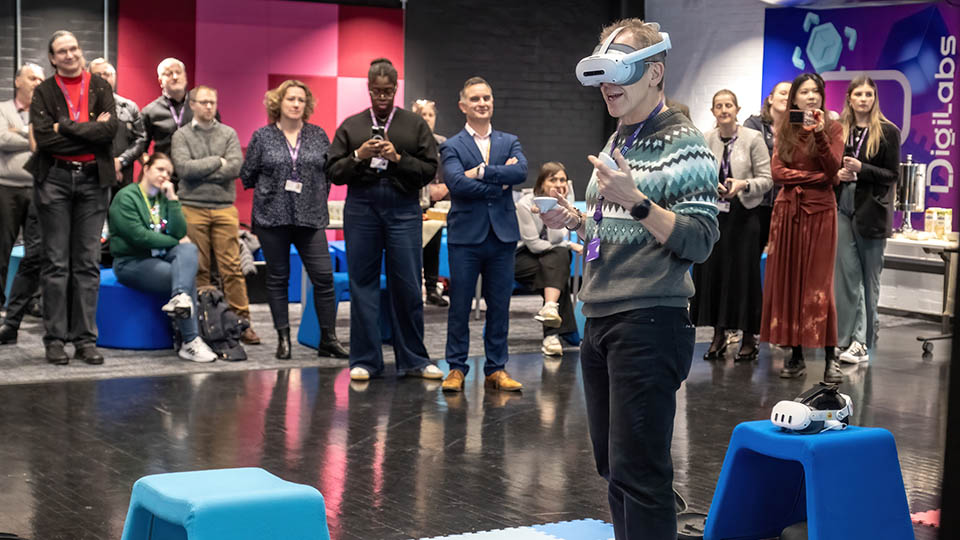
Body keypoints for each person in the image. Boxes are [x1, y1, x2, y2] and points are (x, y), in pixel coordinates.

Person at [539, 19, 718, 539]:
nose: (607, 87)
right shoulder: (621, 135)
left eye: (618, 74)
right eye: (602, 76)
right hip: (599, 318)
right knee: (613, 470)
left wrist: (637, 201)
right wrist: (573, 219)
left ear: (655, 72)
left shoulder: (685, 145)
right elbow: (610, 221)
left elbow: (701, 240)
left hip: (648, 321)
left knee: (640, 474)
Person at [325, 59, 440, 381]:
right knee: (363, 285)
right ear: (368, 89)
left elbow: (429, 171)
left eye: (388, 91)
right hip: (362, 208)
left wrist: (397, 158)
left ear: (396, 89)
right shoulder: (351, 125)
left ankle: (414, 360)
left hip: (403, 208)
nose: (383, 97)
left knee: (407, 284)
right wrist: (359, 156)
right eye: (377, 91)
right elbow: (333, 173)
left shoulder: (414, 125)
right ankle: (364, 361)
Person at [28, 30, 118, 365]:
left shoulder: (100, 86)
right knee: (55, 263)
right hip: (54, 180)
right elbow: (43, 140)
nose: (70, 55)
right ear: (52, 58)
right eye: (62, 51)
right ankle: (55, 340)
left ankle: (85, 340)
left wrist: (63, 127)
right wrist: (88, 133)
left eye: (74, 49)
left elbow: (110, 132)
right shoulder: (44, 92)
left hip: (94, 181)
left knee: (87, 263)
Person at [241, 80, 347, 360]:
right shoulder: (262, 136)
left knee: (324, 277)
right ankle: (283, 339)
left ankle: (328, 339)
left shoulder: (318, 135)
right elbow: (248, 174)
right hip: (272, 217)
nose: (296, 104)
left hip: (310, 217)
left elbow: (330, 173)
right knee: (278, 278)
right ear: (279, 103)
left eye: (301, 99)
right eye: (291, 99)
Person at [439, 76, 528, 393]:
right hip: (465, 237)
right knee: (459, 306)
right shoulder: (451, 145)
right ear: (463, 105)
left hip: (502, 236)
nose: (482, 103)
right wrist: (499, 181)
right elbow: (456, 184)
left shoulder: (509, 141)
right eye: (475, 99)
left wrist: (482, 172)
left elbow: (521, 172)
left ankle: (496, 368)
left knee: (500, 306)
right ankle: (456, 368)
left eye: (487, 98)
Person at [759, 72, 844, 383]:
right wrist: (817, 178)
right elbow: (778, 173)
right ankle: (794, 354)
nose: (811, 97)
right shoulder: (787, 127)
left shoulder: (833, 127)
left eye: (816, 92)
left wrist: (820, 134)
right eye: (804, 92)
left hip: (821, 212)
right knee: (789, 282)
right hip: (787, 211)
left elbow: (834, 169)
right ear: (794, 98)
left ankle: (831, 357)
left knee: (819, 285)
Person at [171, 85, 260, 346]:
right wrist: (217, 162)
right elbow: (184, 169)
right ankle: (204, 323)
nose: (210, 106)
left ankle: (242, 323)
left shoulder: (229, 133)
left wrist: (209, 166)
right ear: (193, 105)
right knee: (198, 268)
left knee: (232, 267)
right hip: (192, 206)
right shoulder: (181, 135)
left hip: (223, 208)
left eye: (213, 102)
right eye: (204, 102)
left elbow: (235, 167)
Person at [108, 152, 218, 362]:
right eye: (160, 169)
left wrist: (173, 199)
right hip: (131, 262)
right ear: (146, 168)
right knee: (184, 280)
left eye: (168, 172)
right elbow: (140, 237)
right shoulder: (126, 197)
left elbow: (179, 230)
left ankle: (181, 303)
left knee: (189, 250)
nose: (165, 176)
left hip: (159, 256)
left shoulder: (162, 198)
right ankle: (190, 340)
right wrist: (175, 242)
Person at [692, 90, 772, 361]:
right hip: (716, 216)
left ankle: (749, 337)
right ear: (713, 111)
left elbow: (767, 179)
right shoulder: (706, 138)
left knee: (743, 278)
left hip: (745, 214)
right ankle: (718, 334)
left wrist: (743, 185)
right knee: (715, 275)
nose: (724, 110)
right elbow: (699, 176)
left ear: (737, 109)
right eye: (719, 106)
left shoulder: (753, 138)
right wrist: (709, 186)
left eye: (728, 105)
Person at [834, 76, 900, 364]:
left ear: (874, 99)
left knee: (868, 280)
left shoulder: (887, 132)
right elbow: (829, 167)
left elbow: (891, 175)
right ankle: (845, 338)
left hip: (871, 210)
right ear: (849, 98)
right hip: (842, 207)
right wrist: (839, 174)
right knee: (847, 278)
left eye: (869, 94)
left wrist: (862, 169)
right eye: (858, 94)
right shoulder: (839, 130)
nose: (863, 99)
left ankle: (862, 341)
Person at [514, 162, 581, 356]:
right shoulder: (525, 204)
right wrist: (568, 245)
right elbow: (533, 244)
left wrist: (556, 208)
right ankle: (559, 331)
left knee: (556, 262)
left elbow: (558, 238)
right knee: (557, 265)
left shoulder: (565, 200)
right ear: (542, 183)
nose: (559, 184)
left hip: (550, 257)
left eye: (562, 180)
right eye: (553, 180)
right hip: (523, 257)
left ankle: (550, 315)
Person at [0, 62, 45, 344]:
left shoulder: (45, 112)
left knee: (35, 253)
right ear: (18, 81)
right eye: (32, 78)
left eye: (41, 79)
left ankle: (31, 303)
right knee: (2, 249)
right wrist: (31, 135)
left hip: (39, 189)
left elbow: (47, 141)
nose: (37, 82)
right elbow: (1, 138)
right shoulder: (3, 109)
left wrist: (20, 132)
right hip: (6, 188)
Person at [412, 98, 449, 307]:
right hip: (412, 202)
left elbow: (453, 171)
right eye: (422, 115)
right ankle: (414, 289)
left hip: (437, 204)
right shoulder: (408, 142)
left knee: (433, 246)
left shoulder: (443, 143)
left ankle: (433, 288)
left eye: (430, 115)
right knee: (412, 247)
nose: (426, 119)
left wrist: (446, 187)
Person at [745, 81, 791, 245]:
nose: (787, 97)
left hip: (785, 201)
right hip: (758, 201)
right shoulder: (753, 124)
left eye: (791, 94)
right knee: (752, 253)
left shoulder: (798, 128)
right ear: (770, 98)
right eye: (783, 93)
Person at [88, 58, 144, 189]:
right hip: (91, 179)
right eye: (97, 75)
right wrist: (107, 166)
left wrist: (121, 161)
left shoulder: (129, 107)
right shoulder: (82, 109)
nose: (103, 78)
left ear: (114, 77)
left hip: (124, 178)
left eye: (107, 74)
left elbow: (141, 140)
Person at [140, 58, 194, 160]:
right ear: (160, 81)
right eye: (168, 74)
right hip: (167, 174)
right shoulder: (150, 111)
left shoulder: (202, 106)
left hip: (198, 173)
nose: (175, 77)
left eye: (178, 72)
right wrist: (152, 168)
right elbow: (140, 148)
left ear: (185, 77)